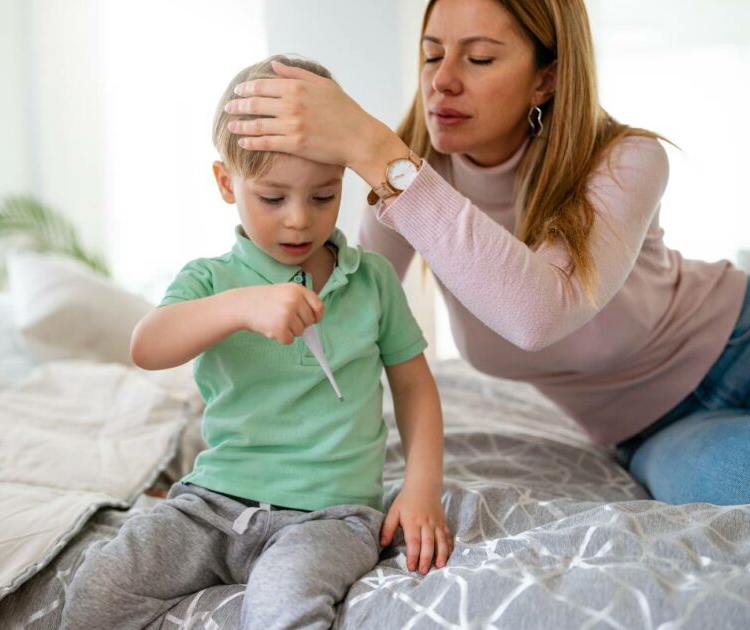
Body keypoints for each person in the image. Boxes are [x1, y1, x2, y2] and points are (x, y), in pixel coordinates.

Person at [224, 0, 749, 506]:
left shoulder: (627, 160)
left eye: (478, 59)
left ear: (547, 78)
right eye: (432, 55)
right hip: (656, 428)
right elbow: (336, 317)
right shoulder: (413, 184)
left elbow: (540, 313)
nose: (441, 80)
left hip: (736, 336)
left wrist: (373, 146)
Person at [61, 55, 450, 630]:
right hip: (211, 506)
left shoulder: (371, 281)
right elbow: (148, 347)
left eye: (322, 196)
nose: (299, 221)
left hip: (331, 516)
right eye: (272, 198)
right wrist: (239, 307)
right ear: (226, 183)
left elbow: (415, 388)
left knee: (282, 604)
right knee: (100, 586)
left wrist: (421, 489)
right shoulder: (210, 280)